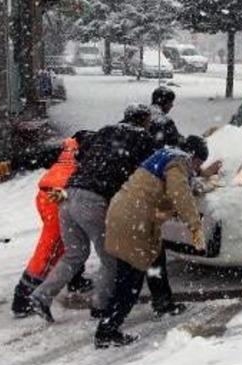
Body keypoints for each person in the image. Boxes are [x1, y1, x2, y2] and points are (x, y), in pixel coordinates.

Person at [29, 104, 156, 323]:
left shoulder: (105, 131)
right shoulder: (142, 138)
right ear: (144, 120)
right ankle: (101, 306)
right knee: (111, 258)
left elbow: (82, 154)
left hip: (67, 194)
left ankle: (42, 295)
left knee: (74, 254)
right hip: (93, 199)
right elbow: (149, 170)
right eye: (148, 121)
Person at [95, 135, 211, 348]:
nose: (196, 168)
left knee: (156, 259)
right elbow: (180, 193)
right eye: (198, 163)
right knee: (130, 280)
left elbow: (184, 184)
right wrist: (195, 226)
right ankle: (107, 330)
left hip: (127, 213)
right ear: (192, 156)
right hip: (133, 220)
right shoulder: (179, 162)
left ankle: (163, 303)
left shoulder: (168, 156)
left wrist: (203, 180)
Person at [11, 130, 95, 318]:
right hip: (58, 197)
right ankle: (22, 299)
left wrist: (13, 163)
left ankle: (75, 280)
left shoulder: (68, 147)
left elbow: (39, 157)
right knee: (50, 249)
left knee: (72, 241)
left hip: (48, 194)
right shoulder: (91, 150)